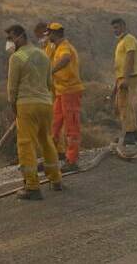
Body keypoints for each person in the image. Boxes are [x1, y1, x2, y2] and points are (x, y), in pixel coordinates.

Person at [6, 24, 62, 200]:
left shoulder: (16, 58)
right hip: (45, 104)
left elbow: (12, 88)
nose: (8, 43)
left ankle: (31, 186)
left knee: (25, 143)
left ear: (19, 37)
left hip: (27, 104)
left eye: (10, 38)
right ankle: (56, 179)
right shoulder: (43, 55)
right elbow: (48, 83)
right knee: (46, 140)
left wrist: (13, 107)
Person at [45, 22, 84, 173]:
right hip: (61, 92)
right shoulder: (55, 48)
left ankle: (71, 160)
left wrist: (51, 71)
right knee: (54, 124)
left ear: (55, 33)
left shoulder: (65, 47)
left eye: (49, 34)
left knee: (71, 127)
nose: (48, 36)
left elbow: (66, 59)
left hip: (70, 91)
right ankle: (52, 159)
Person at [35, 22, 68, 163]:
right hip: (51, 87)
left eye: (42, 35)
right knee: (54, 122)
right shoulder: (47, 47)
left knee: (53, 122)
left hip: (54, 88)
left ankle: (57, 152)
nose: (41, 38)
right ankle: (57, 151)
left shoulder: (54, 47)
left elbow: (52, 65)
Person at [111, 17, 137, 146]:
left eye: (117, 27)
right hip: (122, 77)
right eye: (113, 28)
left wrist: (126, 79)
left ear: (123, 26)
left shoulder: (128, 40)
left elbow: (130, 59)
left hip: (128, 77)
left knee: (124, 105)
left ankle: (129, 134)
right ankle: (134, 133)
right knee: (126, 105)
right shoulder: (122, 41)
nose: (115, 30)